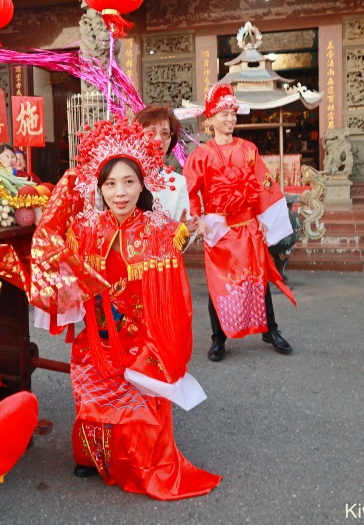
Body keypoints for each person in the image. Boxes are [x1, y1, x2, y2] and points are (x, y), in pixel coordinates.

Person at [29, 119, 220, 500]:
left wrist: (163, 350)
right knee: (92, 409)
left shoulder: (159, 230)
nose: (120, 193)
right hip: (95, 341)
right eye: (111, 183)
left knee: (140, 422)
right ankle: (91, 458)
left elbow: (173, 299)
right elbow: (45, 247)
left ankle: (133, 459)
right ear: (99, 188)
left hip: (140, 342)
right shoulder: (83, 230)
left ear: (143, 184)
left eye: (129, 182)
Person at [184, 82, 296, 361]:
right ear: (210, 119)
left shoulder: (248, 150)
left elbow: (264, 184)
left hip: (248, 227)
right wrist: (196, 220)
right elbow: (188, 192)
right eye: (224, 113)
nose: (231, 118)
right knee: (217, 285)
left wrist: (267, 217)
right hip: (218, 229)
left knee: (259, 280)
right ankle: (217, 337)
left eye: (233, 112)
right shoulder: (200, 155)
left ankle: (270, 329)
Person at [137, 104, 191, 224]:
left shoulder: (177, 182)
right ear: (137, 135)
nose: (158, 139)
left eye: (165, 133)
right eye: (151, 132)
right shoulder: (121, 176)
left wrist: (186, 231)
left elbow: (184, 231)